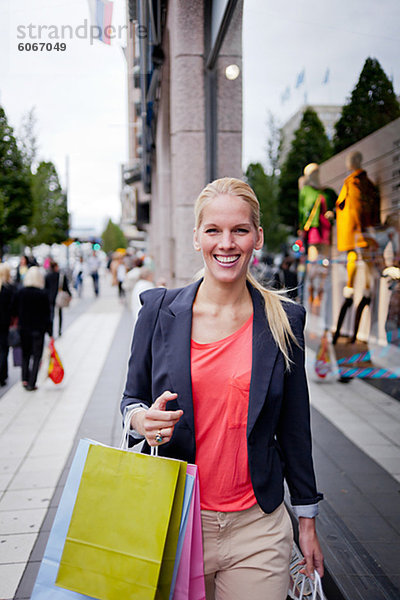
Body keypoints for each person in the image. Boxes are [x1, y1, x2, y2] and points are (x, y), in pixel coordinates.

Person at [121, 177, 323, 600]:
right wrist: (142, 419)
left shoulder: (284, 320)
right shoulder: (159, 311)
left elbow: (294, 426)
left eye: (239, 230)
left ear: (257, 237)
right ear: (197, 237)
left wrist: (306, 520)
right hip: (176, 521)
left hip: (258, 528)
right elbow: (131, 400)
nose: (226, 243)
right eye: (213, 230)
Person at [333, 151, 380, 344]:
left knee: (353, 286)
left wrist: (360, 233)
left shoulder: (354, 183)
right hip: (362, 237)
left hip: (358, 237)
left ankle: (355, 291)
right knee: (360, 280)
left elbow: (357, 210)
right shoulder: (365, 183)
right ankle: (350, 334)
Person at [17, 266, 51, 391]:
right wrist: (50, 331)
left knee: (25, 355)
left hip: (24, 329)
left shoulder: (21, 292)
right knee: (37, 356)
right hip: (38, 330)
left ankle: (24, 379)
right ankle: (32, 381)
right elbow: (48, 314)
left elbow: (15, 310)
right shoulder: (42, 294)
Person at [45, 261, 71, 337]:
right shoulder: (61, 276)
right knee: (60, 315)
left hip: (50, 298)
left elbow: (45, 288)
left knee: (51, 316)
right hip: (59, 297)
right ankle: (59, 330)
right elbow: (66, 287)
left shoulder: (47, 276)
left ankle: (51, 332)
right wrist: (70, 295)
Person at [0, 263, 16, 387]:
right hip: (4, 323)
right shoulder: (9, 288)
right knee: (4, 349)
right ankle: (2, 374)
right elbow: (13, 308)